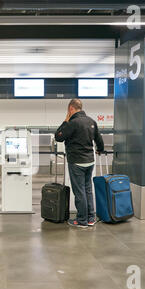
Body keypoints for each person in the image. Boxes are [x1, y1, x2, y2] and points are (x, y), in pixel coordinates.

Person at [55, 98, 104, 228]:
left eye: (68, 111)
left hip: (77, 162)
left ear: (71, 108)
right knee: (88, 190)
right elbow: (99, 139)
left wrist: (65, 120)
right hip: (89, 161)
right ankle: (91, 218)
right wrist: (100, 150)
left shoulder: (72, 123)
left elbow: (58, 136)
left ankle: (81, 220)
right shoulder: (91, 121)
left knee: (80, 191)